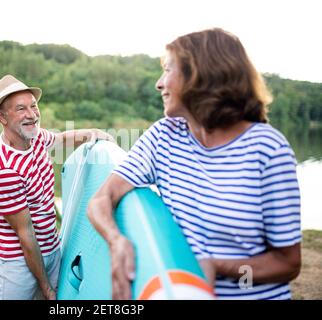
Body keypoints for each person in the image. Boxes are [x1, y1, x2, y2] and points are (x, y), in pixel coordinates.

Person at [87, 28, 301, 300]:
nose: (159, 83)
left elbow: (288, 263)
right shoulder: (165, 135)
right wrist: (116, 242)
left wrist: (221, 267)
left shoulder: (268, 149)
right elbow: (101, 199)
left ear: (201, 76)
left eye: (168, 70)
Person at [0, 74, 114, 300]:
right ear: (3, 117)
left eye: (34, 106)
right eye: (21, 109)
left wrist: (94, 134)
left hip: (50, 245)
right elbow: (25, 234)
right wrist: (45, 286)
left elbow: (60, 139)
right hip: (17, 261)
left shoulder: (34, 137)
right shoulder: (2, 170)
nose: (32, 115)